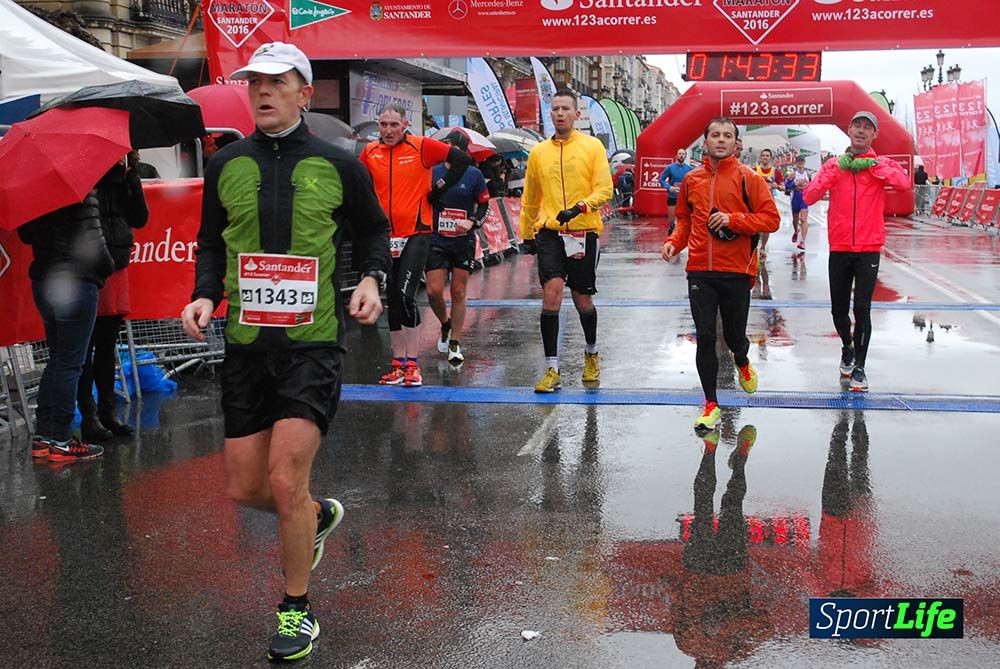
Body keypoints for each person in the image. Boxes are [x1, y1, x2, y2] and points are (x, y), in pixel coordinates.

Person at [180, 42, 391, 662]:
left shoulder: (338, 164)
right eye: (254, 83)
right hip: (246, 344)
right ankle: (317, 515)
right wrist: (203, 294)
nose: (262, 92)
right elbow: (210, 242)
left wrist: (373, 277)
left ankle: (296, 609)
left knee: (283, 476)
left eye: (276, 82)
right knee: (248, 491)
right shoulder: (228, 165)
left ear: (306, 91)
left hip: (312, 343)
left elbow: (373, 228)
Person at [661, 117, 780, 430]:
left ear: (736, 143)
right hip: (700, 270)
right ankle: (711, 403)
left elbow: (771, 219)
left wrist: (733, 220)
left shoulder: (749, 179)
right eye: (715, 134)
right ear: (705, 141)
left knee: (734, 335)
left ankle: (742, 360)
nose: (721, 140)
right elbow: (685, 221)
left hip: (737, 271)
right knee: (706, 337)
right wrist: (675, 242)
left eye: (728, 135)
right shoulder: (692, 180)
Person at [360, 105, 472, 387]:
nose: (388, 130)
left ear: (405, 124)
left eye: (393, 125)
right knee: (393, 300)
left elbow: (460, 159)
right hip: (386, 236)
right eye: (383, 124)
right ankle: (398, 364)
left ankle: (413, 364)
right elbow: (358, 184)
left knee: (405, 294)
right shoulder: (371, 152)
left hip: (416, 234)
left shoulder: (421, 147)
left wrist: (440, 188)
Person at [802, 110, 911, 392]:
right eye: (857, 126)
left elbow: (904, 184)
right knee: (838, 310)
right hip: (839, 246)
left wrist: (876, 167)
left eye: (867, 128)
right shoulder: (835, 165)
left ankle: (860, 367)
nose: (861, 131)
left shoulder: (880, 163)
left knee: (862, 308)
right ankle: (847, 347)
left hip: (868, 247)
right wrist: (831, 173)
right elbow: (809, 195)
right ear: (849, 131)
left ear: (874, 134)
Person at [519, 88, 614, 393]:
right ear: (551, 114)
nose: (559, 113)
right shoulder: (538, 152)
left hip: (583, 231)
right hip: (549, 232)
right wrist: (526, 235)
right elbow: (530, 198)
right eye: (555, 108)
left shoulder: (592, 147)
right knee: (552, 294)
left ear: (576, 114)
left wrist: (580, 207)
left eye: (565, 109)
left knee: (582, 299)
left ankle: (591, 352)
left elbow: (605, 190)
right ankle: (551, 368)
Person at [18, 193, 114, 462]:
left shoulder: (34, 191)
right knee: (71, 363)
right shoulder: (81, 189)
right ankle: (60, 440)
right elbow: (94, 241)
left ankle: (44, 437)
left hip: (45, 280)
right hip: (77, 281)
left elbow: (26, 234)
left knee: (58, 360)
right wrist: (108, 267)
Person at [78, 159, 149, 442]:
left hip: (116, 265)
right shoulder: (84, 173)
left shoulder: (124, 176)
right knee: (85, 346)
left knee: (107, 345)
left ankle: (108, 412)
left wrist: (132, 179)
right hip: (89, 267)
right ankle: (89, 415)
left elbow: (140, 218)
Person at [425, 131, 490, 366]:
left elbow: (484, 205)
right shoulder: (432, 171)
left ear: (461, 149)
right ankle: (445, 323)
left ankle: (455, 342)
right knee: (433, 291)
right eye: (445, 146)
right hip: (436, 238)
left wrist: (472, 221)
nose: (447, 150)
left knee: (458, 292)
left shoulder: (474, 175)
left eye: (451, 146)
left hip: (463, 240)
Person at [754, 149, 783, 256]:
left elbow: (783, 187)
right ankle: (755, 246)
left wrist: (778, 186)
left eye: (767, 155)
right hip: (756, 201)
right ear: (761, 157)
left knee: (767, 225)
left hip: (769, 202)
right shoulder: (754, 170)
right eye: (764, 155)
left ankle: (763, 247)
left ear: (770, 158)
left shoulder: (776, 172)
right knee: (756, 225)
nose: (765, 157)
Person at [658, 148, 693, 234]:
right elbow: (661, 179)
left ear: (685, 156)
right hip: (672, 197)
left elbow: (693, 183)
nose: (681, 156)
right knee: (672, 221)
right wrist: (669, 187)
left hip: (684, 198)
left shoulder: (689, 169)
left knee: (685, 219)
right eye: (679, 154)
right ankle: (671, 237)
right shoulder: (670, 168)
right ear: (676, 156)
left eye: (683, 154)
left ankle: (683, 238)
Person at [785, 156, 810, 252]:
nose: (801, 163)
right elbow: (787, 186)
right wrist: (795, 184)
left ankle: (803, 241)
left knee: (803, 219)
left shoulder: (807, 174)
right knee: (795, 220)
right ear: (796, 163)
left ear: (804, 162)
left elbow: (812, 184)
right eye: (799, 161)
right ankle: (796, 231)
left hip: (804, 197)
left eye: (802, 161)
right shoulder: (792, 174)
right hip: (795, 196)